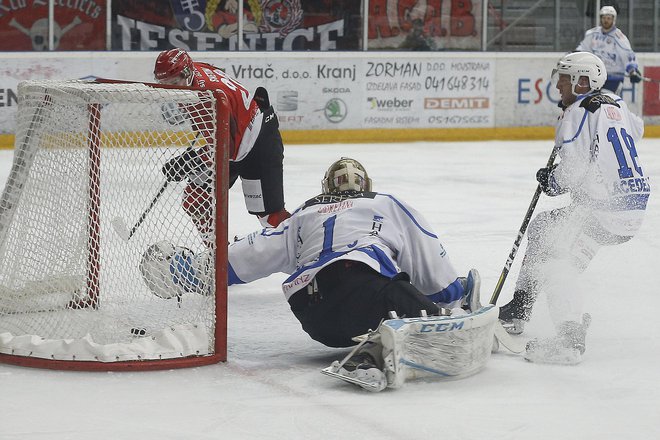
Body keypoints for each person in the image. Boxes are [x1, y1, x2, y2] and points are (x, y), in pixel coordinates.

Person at [227, 158, 481, 374]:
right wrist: (452, 300)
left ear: (326, 187)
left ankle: (373, 346)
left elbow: (247, 255)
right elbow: (432, 267)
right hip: (367, 296)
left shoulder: (302, 214)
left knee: (376, 289)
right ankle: (423, 332)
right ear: (366, 184)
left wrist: (198, 270)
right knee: (396, 290)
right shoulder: (385, 203)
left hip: (316, 319)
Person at [498, 52, 651, 364]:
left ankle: (569, 339)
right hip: (630, 204)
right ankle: (520, 307)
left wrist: (552, 182)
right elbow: (638, 130)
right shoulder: (614, 101)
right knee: (544, 227)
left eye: (564, 79)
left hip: (603, 209)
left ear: (583, 82)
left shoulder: (576, 112)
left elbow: (573, 172)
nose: (557, 86)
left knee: (557, 261)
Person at [153, 48, 290, 245]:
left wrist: (191, 160)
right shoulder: (190, 80)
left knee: (271, 217)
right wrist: (194, 159)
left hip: (257, 143)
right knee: (196, 199)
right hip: (234, 140)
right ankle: (219, 256)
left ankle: (305, 255)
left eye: (174, 83)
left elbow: (228, 148)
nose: (171, 89)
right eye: (164, 84)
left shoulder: (206, 96)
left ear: (188, 73)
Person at [576, 5, 642, 93]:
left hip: (614, 78)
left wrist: (632, 70)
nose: (606, 20)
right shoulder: (592, 34)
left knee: (607, 100)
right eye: (603, 18)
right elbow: (583, 48)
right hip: (596, 75)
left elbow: (628, 54)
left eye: (608, 18)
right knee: (590, 101)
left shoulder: (619, 37)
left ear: (613, 19)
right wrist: (573, 56)